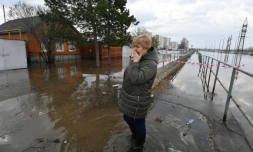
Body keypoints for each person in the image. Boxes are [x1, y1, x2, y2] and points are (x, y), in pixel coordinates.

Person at [118, 35, 158, 151]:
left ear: (146, 48)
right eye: (134, 46)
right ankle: (135, 134)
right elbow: (128, 73)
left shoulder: (151, 64)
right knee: (127, 117)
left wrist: (135, 61)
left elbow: (137, 78)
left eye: (138, 46)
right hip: (129, 95)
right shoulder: (139, 57)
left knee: (139, 122)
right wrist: (135, 61)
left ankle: (139, 144)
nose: (135, 49)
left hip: (138, 99)